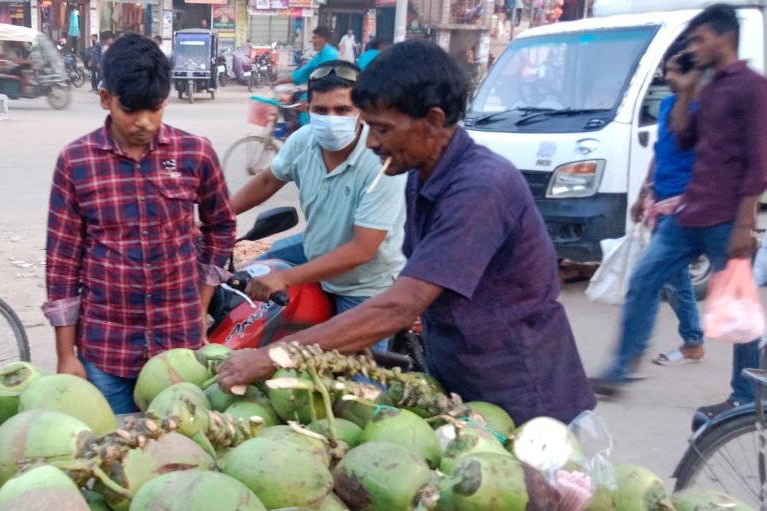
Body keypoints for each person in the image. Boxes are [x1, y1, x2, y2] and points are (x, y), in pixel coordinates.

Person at [217, 41, 597, 425]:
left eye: (381, 128)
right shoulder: (419, 172)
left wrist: (276, 354)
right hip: (456, 372)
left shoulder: (480, 186)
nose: (371, 142)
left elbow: (402, 302)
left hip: (520, 390)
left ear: (432, 120)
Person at [44, 34, 235, 413]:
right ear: (106, 99)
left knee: (179, 452)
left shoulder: (195, 153)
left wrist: (202, 303)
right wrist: (66, 356)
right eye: (131, 110)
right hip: (106, 349)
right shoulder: (76, 161)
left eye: (156, 108)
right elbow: (62, 261)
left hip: (180, 345)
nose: (144, 123)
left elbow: (221, 225)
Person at [597, 5, 767, 428]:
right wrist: (687, 89)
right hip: (689, 214)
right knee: (643, 280)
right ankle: (621, 368)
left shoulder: (752, 88)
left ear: (721, 37)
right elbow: (683, 136)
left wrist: (745, 224)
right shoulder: (707, 89)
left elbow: (759, 162)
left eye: (697, 40)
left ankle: (745, 396)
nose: (692, 48)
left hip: (727, 220)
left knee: (737, 311)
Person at [231, 60, 407, 331]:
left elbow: (362, 250)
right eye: (322, 110)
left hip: (364, 283)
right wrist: (216, 217)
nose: (332, 119)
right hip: (313, 247)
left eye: (343, 110)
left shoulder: (381, 159)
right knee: (245, 278)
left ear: (362, 111)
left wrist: (286, 278)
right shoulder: (303, 140)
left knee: (353, 372)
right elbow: (267, 181)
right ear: (307, 109)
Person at [598, 39, 706, 389]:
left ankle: (736, 375)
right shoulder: (668, 106)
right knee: (662, 280)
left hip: (693, 206)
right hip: (664, 204)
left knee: (677, 281)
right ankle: (637, 360)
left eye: (672, 73)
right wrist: (645, 191)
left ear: (691, 75)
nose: (667, 78)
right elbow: (660, 153)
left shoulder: (705, 109)